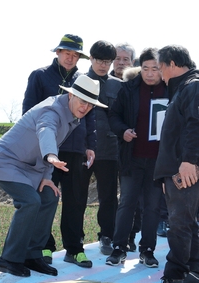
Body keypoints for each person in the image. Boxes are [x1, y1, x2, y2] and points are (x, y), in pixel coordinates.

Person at [0, 76, 106, 277]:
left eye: (90, 105)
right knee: (29, 201)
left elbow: (52, 142)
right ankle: (9, 259)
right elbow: (46, 131)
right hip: (5, 161)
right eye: (82, 101)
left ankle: (32, 255)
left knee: (49, 196)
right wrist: (52, 156)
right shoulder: (52, 110)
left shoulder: (71, 114)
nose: (85, 108)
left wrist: (47, 175)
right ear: (71, 94)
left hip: (29, 166)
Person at [22, 34, 97, 268]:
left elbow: (91, 114)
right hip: (48, 150)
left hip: (75, 149)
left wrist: (90, 145)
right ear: (58, 52)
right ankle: (44, 246)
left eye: (75, 55)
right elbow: (28, 111)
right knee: (46, 198)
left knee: (76, 201)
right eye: (67, 53)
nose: (70, 58)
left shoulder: (83, 80)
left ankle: (74, 249)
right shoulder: (40, 76)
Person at [153, 45, 199, 283]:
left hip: (189, 168)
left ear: (170, 63)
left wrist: (188, 161)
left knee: (178, 223)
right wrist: (167, 173)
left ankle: (174, 277)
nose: (159, 74)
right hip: (178, 169)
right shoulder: (184, 87)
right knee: (186, 223)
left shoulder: (195, 86)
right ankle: (193, 278)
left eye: (160, 67)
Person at [107, 48, 167, 268]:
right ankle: (118, 248)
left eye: (155, 69)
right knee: (127, 203)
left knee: (152, 206)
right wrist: (123, 131)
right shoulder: (129, 89)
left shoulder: (171, 90)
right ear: (139, 69)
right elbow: (113, 116)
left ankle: (147, 250)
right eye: (145, 69)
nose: (150, 74)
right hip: (132, 158)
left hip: (158, 161)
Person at [85, 40, 122, 255]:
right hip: (82, 149)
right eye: (99, 60)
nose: (103, 65)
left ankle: (107, 236)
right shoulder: (78, 82)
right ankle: (75, 239)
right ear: (91, 58)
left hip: (109, 150)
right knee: (76, 197)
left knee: (108, 196)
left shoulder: (117, 85)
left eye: (107, 62)